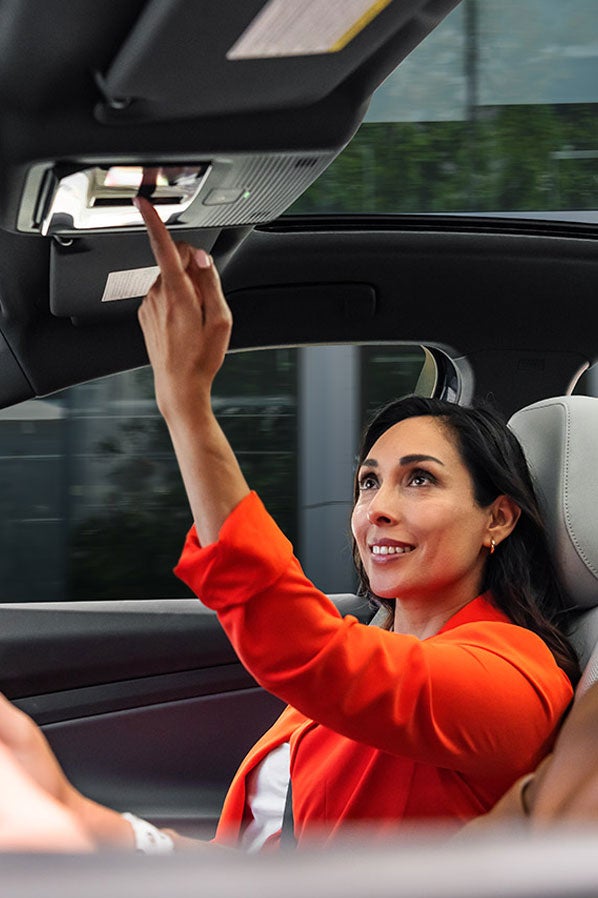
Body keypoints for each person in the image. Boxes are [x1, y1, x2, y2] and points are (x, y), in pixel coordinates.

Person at [0, 198, 580, 852]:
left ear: (497, 519)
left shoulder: (514, 680)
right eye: (368, 480)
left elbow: (300, 643)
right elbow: (249, 863)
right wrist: (73, 813)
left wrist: (187, 405)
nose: (377, 508)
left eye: (419, 478)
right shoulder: (373, 648)